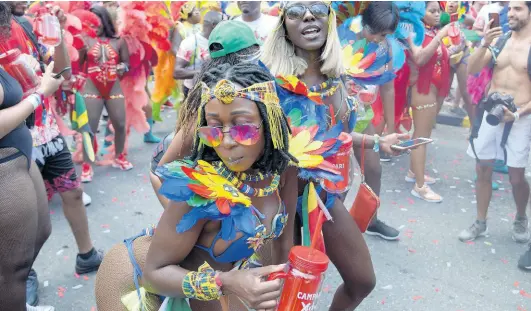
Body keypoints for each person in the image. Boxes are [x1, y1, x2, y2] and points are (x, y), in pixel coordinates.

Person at [96, 61, 298, 310]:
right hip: (134, 280)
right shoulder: (200, 189)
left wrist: (281, 295)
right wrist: (226, 281)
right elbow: (153, 275)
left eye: (242, 126)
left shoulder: (285, 172)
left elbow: (283, 246)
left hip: (217, 287)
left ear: (270, 122)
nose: (226, 141)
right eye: (214, 127)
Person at [262, 2, 417, 308]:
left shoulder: (335, 75)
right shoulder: (269, 81)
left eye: (317, 8)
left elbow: (330, 137)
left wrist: (377, 141)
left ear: (330, 20)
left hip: (323, 197)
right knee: (280, 296)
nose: (308, 15)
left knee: (362, 281)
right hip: (277, 199)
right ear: (284, 24)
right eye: (296, 11)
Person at [1, 1, 104, 306]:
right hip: (17, 139)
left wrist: (57, 34)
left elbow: (62, 71)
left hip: (46, 130)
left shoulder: (28, 28)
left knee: (69, 194)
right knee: (25, 224)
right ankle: (21, 274)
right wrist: (37, 96)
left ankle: (86, 254)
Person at [0, 3, 64, 310]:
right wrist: (40, 95)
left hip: (20, 158)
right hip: (4, 171)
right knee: (15, 268)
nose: (7, 30)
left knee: (42, 231)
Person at [460, 2, 531, 247]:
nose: (511, 13)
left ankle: (521, 217)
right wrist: (485, 43)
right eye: (510, 8)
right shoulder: (500, 41)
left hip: (519, 117)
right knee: (483, 168)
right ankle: (480, 222)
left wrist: (519, 114)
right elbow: (472, 68)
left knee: (516, 176)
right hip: (491, 111)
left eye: (518, 9)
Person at [79, 5, 132, 182]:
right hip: (91, 87)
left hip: (114, 87)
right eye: (89, 20)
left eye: (97, 19)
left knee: (120, 124)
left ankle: (119, 157)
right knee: (89, 128)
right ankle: (87, 165)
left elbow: (127, 63)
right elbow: (78, 67)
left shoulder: (119, 41)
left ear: (104, 19)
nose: (93, 23)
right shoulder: (84, 40)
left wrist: (122, 67)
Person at [405, 1, 451, 203]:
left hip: (432, 89)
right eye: (431, 11)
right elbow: (420, 58)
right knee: (421, 139)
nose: (436, 14)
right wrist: (441, 37)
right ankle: (420, 187)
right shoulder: (414, 31)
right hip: (422, 90)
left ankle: (413, 173)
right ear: (419, 11)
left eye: (438, 11)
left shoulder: (430, 31)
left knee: (422, 135)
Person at [174, 11, 222, 99]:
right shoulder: (190, 43)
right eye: (222, 24)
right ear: (214, 25)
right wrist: (204, 72)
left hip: (216, 92)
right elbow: (177, 72)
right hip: (193, 93)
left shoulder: (222, 41)